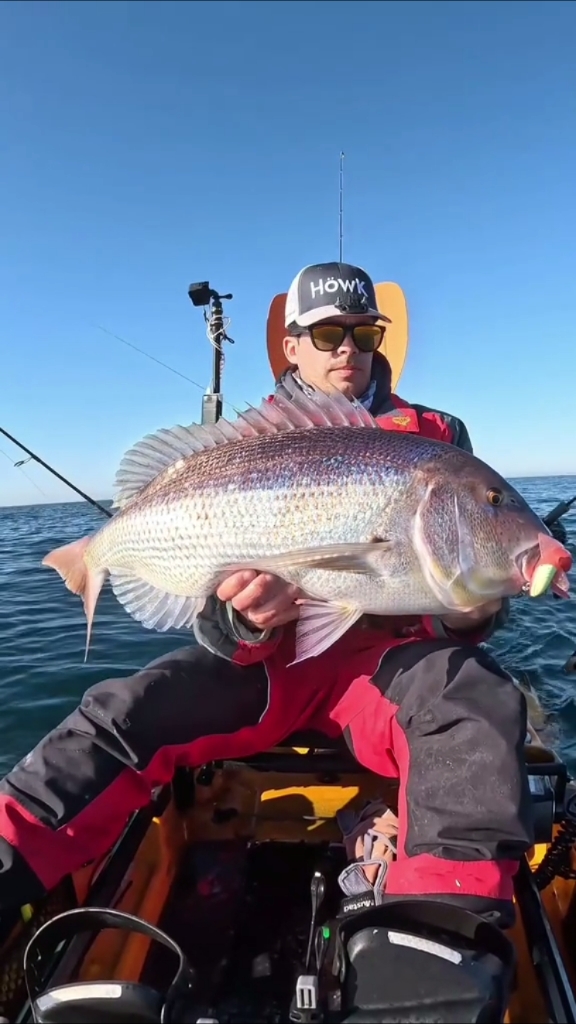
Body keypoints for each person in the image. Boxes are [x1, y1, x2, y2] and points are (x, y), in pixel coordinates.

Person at [0, 262, 533, 929]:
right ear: (292, 344)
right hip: (271, 672)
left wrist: (480, 608)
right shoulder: (251, 439)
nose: (347, 349)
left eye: (364, 334)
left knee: (477, 699)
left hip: (388, 672)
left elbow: (466, 586)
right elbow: (210, 620)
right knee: (122, 712)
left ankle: (442, 935)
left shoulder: (439, 437)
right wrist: (242, 618)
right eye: (329, 332)